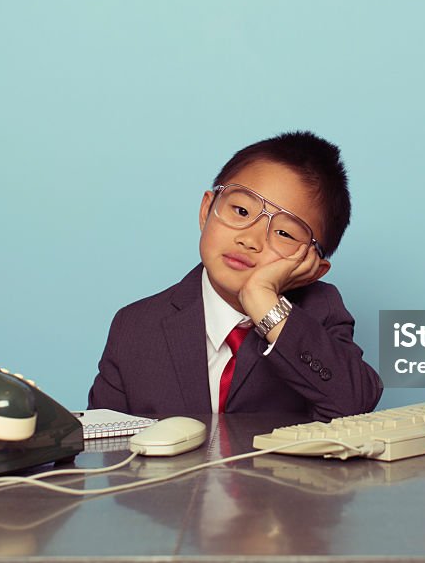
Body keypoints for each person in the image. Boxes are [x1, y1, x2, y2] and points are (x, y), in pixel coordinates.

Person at [87, 131, 382, 421]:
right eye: (241, 210)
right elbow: (102, 448)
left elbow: (354, 404)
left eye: (284, 233)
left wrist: (264, 300)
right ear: (207, 209)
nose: (250, 239)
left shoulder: (319, 310)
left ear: (312, 268)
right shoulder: (135, 327)